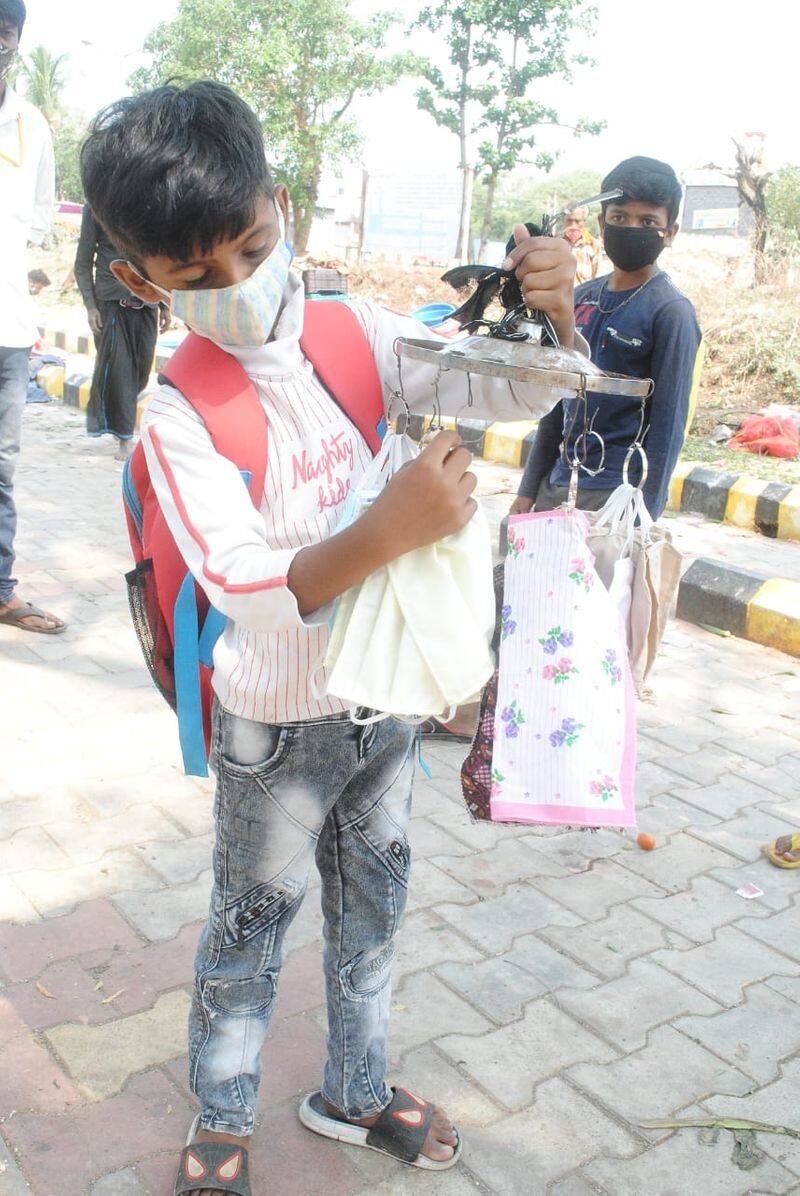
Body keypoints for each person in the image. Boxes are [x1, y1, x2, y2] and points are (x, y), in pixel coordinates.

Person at [80, 81, 580, 1195]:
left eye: (251, 248)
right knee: (248, 928)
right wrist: (385, 525)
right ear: (137, 281)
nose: (234, 286)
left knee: (374, 913)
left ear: (283, 206)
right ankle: (222, 1113)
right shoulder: (176, 416)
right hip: (274, 726)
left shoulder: (357, 330)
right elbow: (247, 586)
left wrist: (554, 313)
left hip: (385, 711)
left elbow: (503, 386)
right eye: (192, 277)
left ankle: (352, 1089)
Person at [512, 156, 703, 522]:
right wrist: (528, 487)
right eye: (620, 218)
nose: (632, 228)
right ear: (602, 223)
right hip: (557, 485)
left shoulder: (671, 312)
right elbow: (555, 401)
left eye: (648, 221)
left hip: (618, 496)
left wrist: (644, 513)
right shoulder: (578, 298)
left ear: (671, 232)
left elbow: (668, 424)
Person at [0, 0, 64, 635]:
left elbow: (38, 219)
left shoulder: (29, 125)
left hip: (8, 331)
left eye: (4, 39)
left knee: (1, 468)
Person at [74, 204, 169, 461]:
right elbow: (82, 264)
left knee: (140, 372)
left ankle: (122, 425)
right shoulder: (95, 209)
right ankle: (125, 437)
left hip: (147, 303)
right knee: (121, 371)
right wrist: (91, 307)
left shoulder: (151, 204)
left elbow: (160, 256)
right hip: (112, 304)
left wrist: (163, 303)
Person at [563, 203, 600, 284]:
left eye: (577, 221)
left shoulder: (593, 245)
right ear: (563, 221)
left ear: (584, 222)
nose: (573, 225)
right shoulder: (555, 244)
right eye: (569, 220)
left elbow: (595, 279)